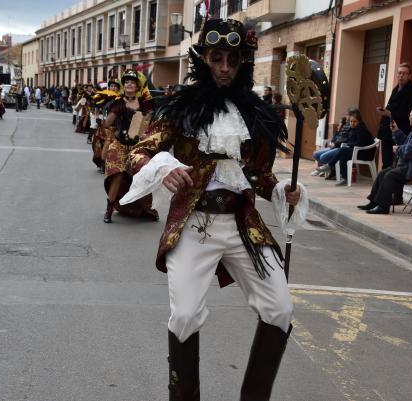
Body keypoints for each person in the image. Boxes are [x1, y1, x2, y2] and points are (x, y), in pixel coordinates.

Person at [126, 18, 304, 400]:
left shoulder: (256, 115)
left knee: (280, 309)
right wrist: (164, 166)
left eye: (232, 59)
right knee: (185, 316)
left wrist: (285, 192)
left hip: (242, 224)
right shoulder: (180, 108)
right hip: (194, 224)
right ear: (203, 59)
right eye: (216, 57)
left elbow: (259, 175)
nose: (224, 67)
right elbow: (138, 154)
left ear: (243, 63)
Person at [102, 70, 158, 223]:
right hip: (119, 145)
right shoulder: (117, 102)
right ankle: (109, 209)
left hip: (137, 147)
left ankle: (145, 208)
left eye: (132, 82)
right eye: (126, 82)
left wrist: (145, 117)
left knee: (143, 175)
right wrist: (116, 110)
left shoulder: (145, 104)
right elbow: (107, 123)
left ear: (137, 86)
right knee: (117, 174)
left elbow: (148, 126)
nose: (129, 84)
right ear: (123, 86)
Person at [358, 105, 412, 214]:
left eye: (410, 115)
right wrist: (396, 131)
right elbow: (407, 143)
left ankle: (383, 207)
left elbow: (409, 151)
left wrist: (398, 149)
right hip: (409, 166)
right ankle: (374, 202)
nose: (408, 117)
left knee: (390, 175)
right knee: (383, 173)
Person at [376, 62, 412, 169]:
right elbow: (390, 108)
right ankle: (384, 185)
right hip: (387, 132)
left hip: (401, 133)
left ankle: (391, 185)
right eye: (399, 73)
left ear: (410, 75)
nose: (401, 76)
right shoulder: (395, 89)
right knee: (386, 164)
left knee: (398, 166)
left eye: (404, 73)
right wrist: (384, 113)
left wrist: (390, 113)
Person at [316, 109, 374, 185]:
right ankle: (345, 178)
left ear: (359, 121)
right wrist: (347, 144)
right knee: (343, 156)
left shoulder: (361, 129)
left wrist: (349, 145)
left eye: (354, 121)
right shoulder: (353, 129)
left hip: (364, 153)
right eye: (351, 121)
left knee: (342, 150)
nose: (352, 123)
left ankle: (330, 165)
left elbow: (359, 143)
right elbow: (349, 141)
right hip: (356, 151)